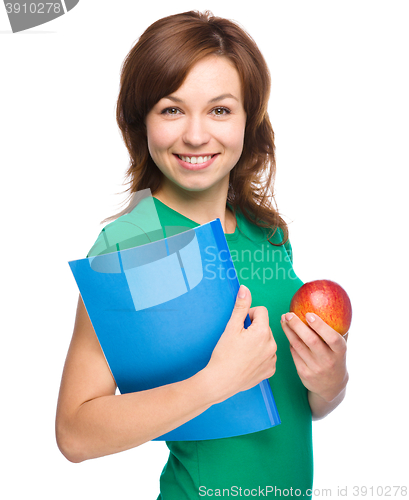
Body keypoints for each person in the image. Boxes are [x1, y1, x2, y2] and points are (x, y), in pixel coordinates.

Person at [56, 10, 348, 499]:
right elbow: (75, 432)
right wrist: (215, 383)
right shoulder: (133, 244)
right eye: (171, 110)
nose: (195, 135)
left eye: (219, 110)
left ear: (248, 119)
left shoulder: (267, 235)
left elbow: (300, 405)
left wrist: (331, 381)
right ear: (140, 119)